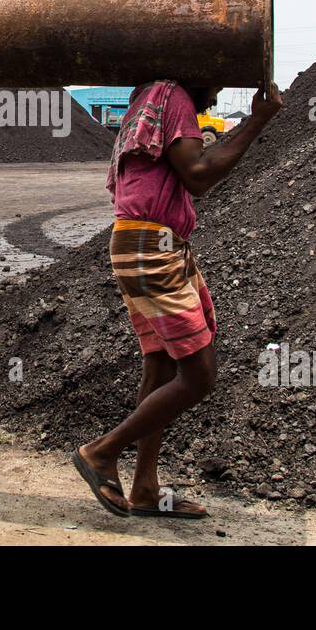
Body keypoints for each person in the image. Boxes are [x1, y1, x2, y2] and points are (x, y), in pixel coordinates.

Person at [72, 81, 282, 518]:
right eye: (220, 84)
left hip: (152, 244)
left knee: (162, 364)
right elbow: (199, 175)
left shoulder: (149, 97)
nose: (219, 98)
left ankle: (145, 488)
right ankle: (100, 452)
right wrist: (257, 121)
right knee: (200, 375)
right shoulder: (176, 96)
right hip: (151, 247)